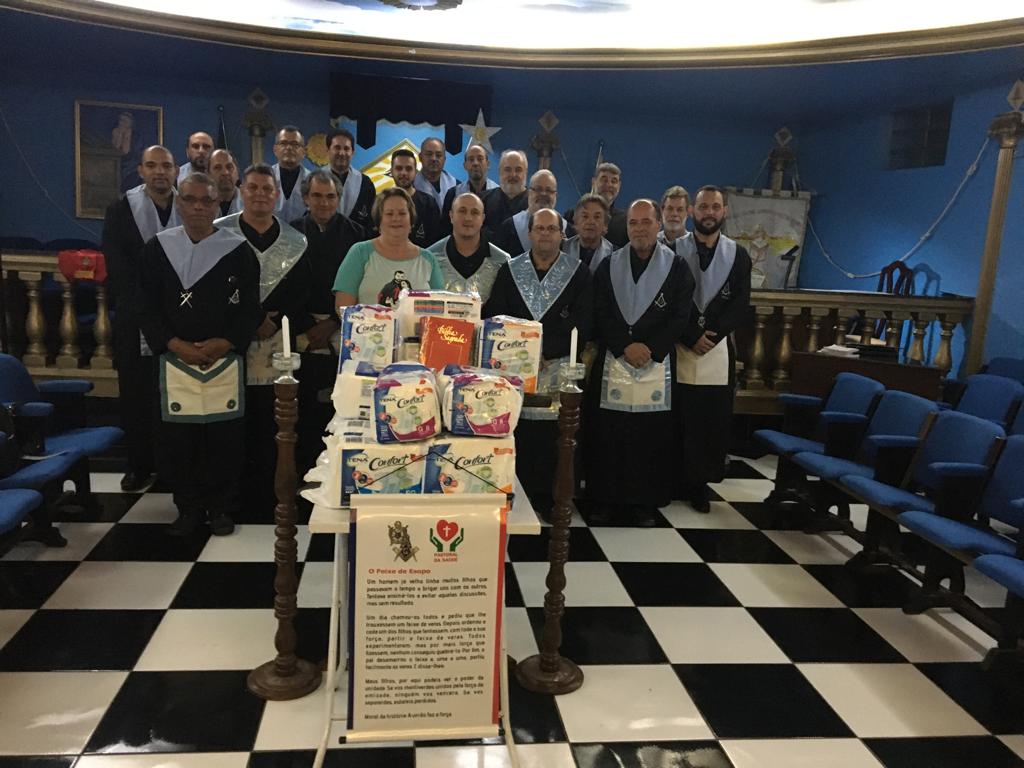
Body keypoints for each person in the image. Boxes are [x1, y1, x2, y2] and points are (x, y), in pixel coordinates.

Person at [135, 172, 262, 536]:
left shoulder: (237, 251)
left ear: (217, 205)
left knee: (225, 436)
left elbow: (250, 308)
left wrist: (227, 342)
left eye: (206, 201)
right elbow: (144, 306)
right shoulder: (157, 250)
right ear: (179, 203)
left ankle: (222, 507)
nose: (198, 208)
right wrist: (173, 344)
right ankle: (188, 507)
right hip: (175, 359)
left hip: (224, 359)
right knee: (178, 438)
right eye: (190, 200)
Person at [585, 199, 694, 527]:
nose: (640, 229)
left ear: (658, 224)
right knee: (608, 433)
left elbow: (680, 316)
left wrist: (650, 348)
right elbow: (600, 311)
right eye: (633, 223)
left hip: (655, 362)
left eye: (646, 222)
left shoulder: (677, 268)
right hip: (615, 358)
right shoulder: (610, 265)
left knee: (650, 437)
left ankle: (643, 503)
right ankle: (604, 499)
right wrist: (624, 345)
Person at [483, 208, 593, 517]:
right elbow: (497, 315)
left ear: (562, 234)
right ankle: (515, 490)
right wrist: (527, 350)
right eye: (539, 228)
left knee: (556, 436)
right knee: (519, 432)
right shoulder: (510, 271)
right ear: (530, 233)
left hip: (559, 363)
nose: (545, 234)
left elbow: (584, 321)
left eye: (551, 229)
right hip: (516, 365)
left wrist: (547, 349)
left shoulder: (579, 273)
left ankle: (550, 496)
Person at [215, 164, 311, 513]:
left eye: (267, 189)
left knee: (276, 417)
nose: (259, 195)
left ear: (277, 195)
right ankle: (233, 493)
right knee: (233, 418)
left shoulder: (295, 241)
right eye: (253, 188)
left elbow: (302, 291)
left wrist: (274, 321)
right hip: (231, 339)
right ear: (241, 190)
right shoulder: (220, 234)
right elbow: (214, 288)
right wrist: (252, 320)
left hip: (279, 338)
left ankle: (275, 486)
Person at [102, 144, 180, 492]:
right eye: (152, 165)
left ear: (176, 171)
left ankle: (172, 465)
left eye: (166, 166)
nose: (160, 172)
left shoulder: (189, 205)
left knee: (173, 392)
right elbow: (118, 265)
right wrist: (147, 307)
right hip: (136, 315)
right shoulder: (122, 209)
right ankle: (138, 464)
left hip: (178, 315)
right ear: (141, 171)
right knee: (137, 392)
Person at [675, 185, 752, 512]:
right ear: (692, 211)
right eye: (703, 207)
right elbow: (669, 298)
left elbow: (740, 304)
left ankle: (700, 483)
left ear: (724, 212)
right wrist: (691, 334)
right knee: (678, 415)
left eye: (715, 207)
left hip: (717, 348)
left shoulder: (739, 255)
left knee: (711, 418)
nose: (709, 213)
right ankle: (673, 477)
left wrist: (712, 335)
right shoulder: (673, 249)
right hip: (680, 343)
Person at [290, 170, 366, 472]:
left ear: (339, 199)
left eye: (330, 196)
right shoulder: (291, 233)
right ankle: (304, 471)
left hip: (342, 326)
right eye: (317, 196)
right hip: (302, 328)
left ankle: (338, 472)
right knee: (304, 405)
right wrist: (307, 324)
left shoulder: (356, 235)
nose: (324, 203)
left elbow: (362, 285)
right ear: (305, 198)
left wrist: (334, 321)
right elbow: (286, 285)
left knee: (340, 404)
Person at [333, 187, 444, 309]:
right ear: (379, 220)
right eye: (389, 214)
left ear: (411, 220)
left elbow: (440, 307)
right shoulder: (359, 253)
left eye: (402, 213)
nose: (396, 218)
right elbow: (343, 308)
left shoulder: (428, 259)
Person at [428, 192, 509, 302]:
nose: (468, 218)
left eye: (475, 212)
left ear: (482, 219)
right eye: (462, 211)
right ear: (451, 216)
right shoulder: (430, 258)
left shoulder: (501, 261)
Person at [494, 169, 562, 257]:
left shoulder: (565, 229)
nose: (543, 194)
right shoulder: (509, 227)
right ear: (529, 193)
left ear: (555, 195)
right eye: (538, 189)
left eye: (549, 190)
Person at [324, 127, 375, 231]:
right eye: (337, 148)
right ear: (328, 150)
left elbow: (371, 221)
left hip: (357, 239)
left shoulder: (365, 183)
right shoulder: (315, 180)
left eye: (346, 148)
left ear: (353, 152)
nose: (342, 153)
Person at [566, 162, 628, 247]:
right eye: (604, 180)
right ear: (593, 182)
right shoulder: (571, 214)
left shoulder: (625, 221)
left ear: (619, 186)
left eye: (614, 181)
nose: (609, 185)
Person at [389, 148, 442, 248]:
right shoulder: (381, 202)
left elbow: (435, 244)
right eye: (399, 168)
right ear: (391, 171)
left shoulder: (429, 203)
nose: (404, 173)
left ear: (416, 172)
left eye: (409, 169)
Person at [440, 144, 498, 227]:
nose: (475, 163)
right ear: (465, 165)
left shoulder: (499, 193)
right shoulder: (453, 194)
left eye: (480, 159)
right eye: (471, 159)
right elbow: (445, 228)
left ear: (488, 164)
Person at [563, 193, 614, 272]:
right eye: (585, 216)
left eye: (597, 217)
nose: (590, 222)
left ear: (605, 225)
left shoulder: (615, 256)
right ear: (575, 223)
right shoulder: (562, 249)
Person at [482, 149, 528, 233]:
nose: (513, 175)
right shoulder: (482, 200)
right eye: (507, 169)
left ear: (525, 173)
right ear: (499, 172)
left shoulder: (534, 204)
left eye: (518, 170)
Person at [271, 125, 310, 224]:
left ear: (304, 152)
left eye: (295, 144)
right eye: (283, 143)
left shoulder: (312, 180)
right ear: (275, 150)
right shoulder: (265, 177)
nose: (289, 148)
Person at [412, 137, 458, 211]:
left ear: (444, 159)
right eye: (429, 154)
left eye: (438, 155)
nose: (433, 158)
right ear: (420, 157)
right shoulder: (411, 186)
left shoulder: (457, 187)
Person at [209, 149, 242, 217]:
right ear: (208, 175)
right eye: (217, 168)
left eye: (229, 167)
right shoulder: (199, 205)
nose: (225, 173)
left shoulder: (250, 204)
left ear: (237, 174)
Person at [658, 185, 691, 251]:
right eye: (670, 208)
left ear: (687, 213)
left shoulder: (696, 245)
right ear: (662, 210)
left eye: (680, 209)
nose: (674, 214)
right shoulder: (651, 243)